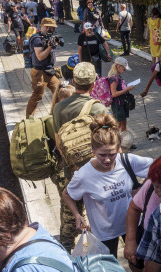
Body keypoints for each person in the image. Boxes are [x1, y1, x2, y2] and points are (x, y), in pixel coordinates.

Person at [62, 114, 154, 257]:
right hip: (104, 233)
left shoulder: (127, 161)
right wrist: (77, 215)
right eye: (102, 154)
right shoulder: (83, 175)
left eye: (112, 154)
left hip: (132, 224)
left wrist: (143, 190)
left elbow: (157, 168)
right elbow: (66, 194)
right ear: (92, 149)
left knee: (138, 263)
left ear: (118, 148)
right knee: (110, 270)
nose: (107, 160)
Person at [51, 63, 108, 250]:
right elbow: (109, 142)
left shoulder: (59, 108)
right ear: (93, 85)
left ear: (73, 82)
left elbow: (59, 144)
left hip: (71, 171)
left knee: (69, 218)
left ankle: (66, 253)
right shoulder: (98, 109)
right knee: (101, 213)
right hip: (96, 171)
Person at [26, 18, 60, 118]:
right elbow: (40, 57)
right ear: (42, 26)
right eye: (48, 27)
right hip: (39, 72)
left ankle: (53, 115)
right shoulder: (36, 39)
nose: (50, 29)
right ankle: (29, 119)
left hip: (49, 70)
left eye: (53, 28)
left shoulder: (49, 37)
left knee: (59, 92)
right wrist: (50, 47)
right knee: (37, 95)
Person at [107, 57, 134, 133]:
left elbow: (121, 88)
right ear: (118, 66)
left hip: (122, 103)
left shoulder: (119, 76)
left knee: (124, 122)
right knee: (117, 124)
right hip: (117, 105)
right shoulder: (113, 78)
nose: (124, 70)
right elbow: (114, 93)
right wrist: (127, 89)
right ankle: (114, 140)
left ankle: (124, 140)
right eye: (124, 68)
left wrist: (128, 88)